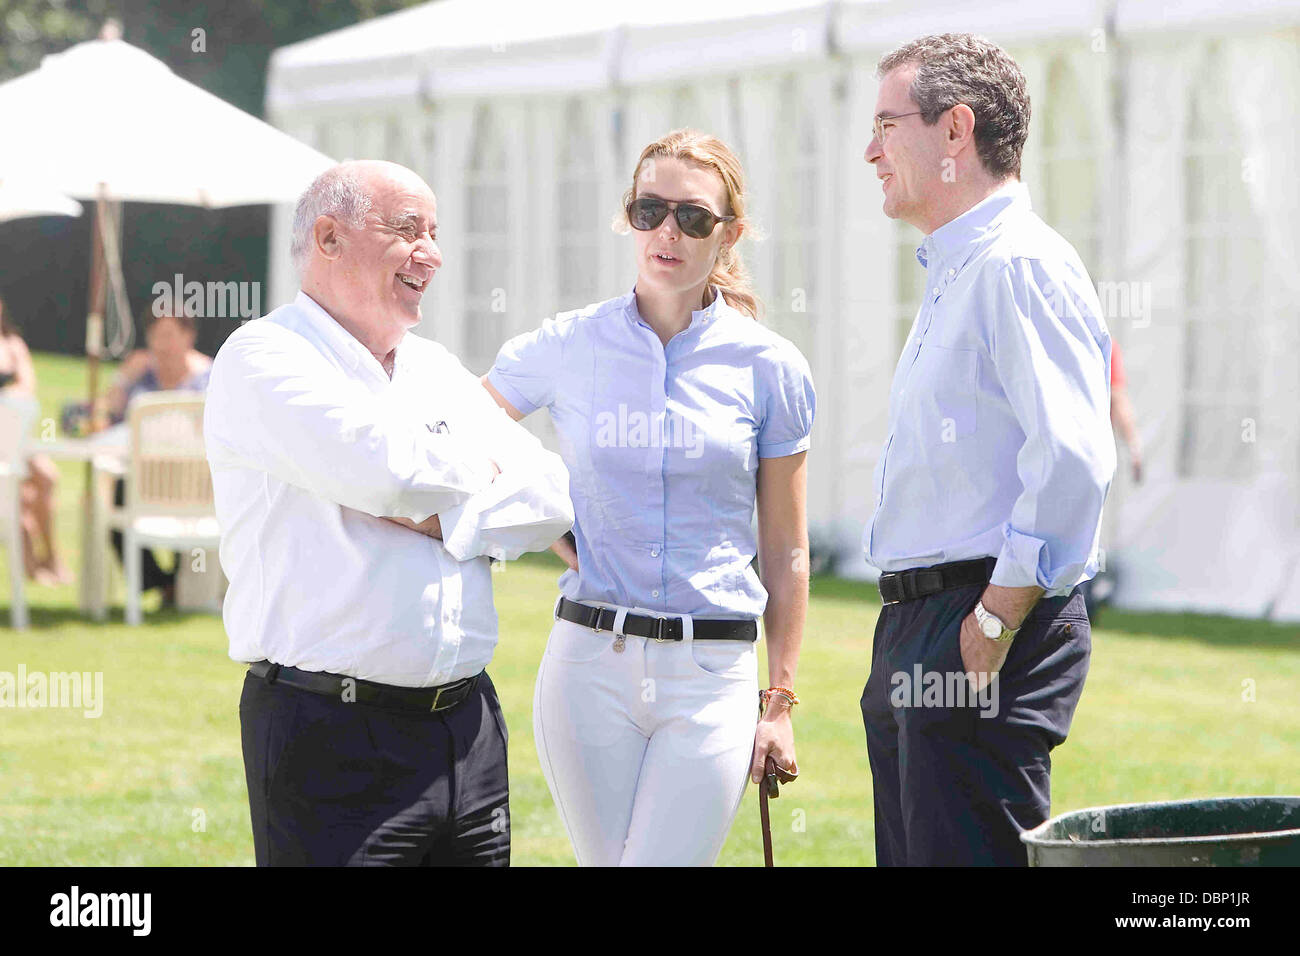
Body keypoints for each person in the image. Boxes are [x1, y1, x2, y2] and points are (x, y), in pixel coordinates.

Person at [204, 160, 574, 866]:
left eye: (435, 233)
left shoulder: (431, 365)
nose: (431, 253)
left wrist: (448, 517)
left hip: (466, 730)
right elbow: (391, 473)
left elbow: (552, 493)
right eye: (408, 230)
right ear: (329, 237)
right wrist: (472, 480)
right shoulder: (263, 356)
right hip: (330, 736)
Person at [483, 129, 815, 866]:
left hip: (713, 676)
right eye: (649, 210)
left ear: (728, 234)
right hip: (587, 666)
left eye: (693, 217)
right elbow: (467, 434)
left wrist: (780, 702)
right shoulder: (566, 345)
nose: (668, 231)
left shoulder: (771, 368)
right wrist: (544, 518)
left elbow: (787, 551)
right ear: (627, 217)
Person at [859, 34, 1115, 866]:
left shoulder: (1018, 265)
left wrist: (995, 619)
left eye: (886, 125)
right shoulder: (961, 266)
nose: (871, 151)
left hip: (983, 616)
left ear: (955, 130)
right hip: (926, 621)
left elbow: (1071, 459)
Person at [105, 308, 214, 605]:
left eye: (169, 335)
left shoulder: (208, 377)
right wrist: (121, 378)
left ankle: (177, 587)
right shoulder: (140, 373)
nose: (162, 344)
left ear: (188, 336)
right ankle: (165, 586)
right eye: (156, 336)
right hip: (142, 473)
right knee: (115, 504)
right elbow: (109, 419)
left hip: (195, 479)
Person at [0, 294, 70, 586]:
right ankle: (29, 561)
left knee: (46, 476)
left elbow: (27, 388)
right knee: (13, 491)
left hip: (14, 437)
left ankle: (51, 554)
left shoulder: (13, 346)